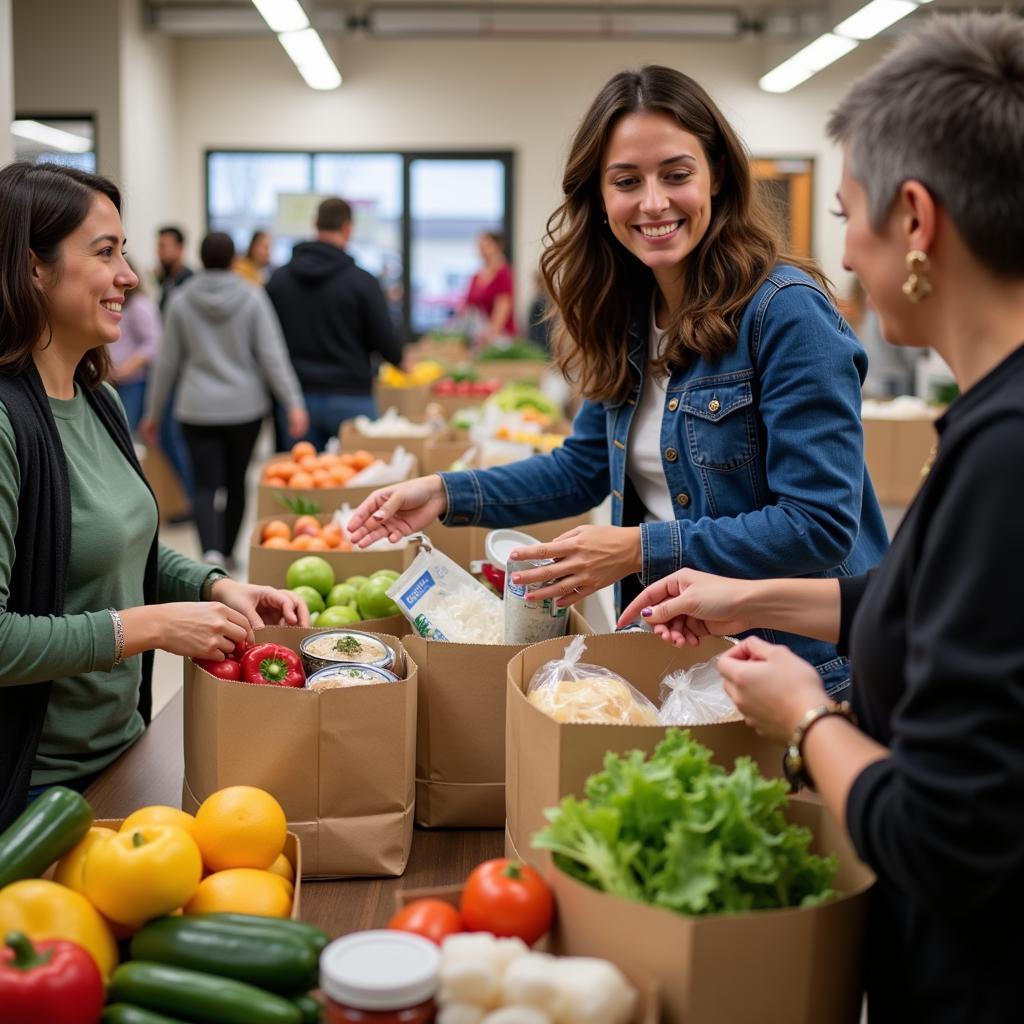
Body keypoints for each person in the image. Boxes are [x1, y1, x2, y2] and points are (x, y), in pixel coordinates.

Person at [618, 14, 1024, 1021]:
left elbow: (945, 828)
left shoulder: (1003, 452)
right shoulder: (988, 421)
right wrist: (750, 597)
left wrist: (806, 718)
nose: (844, 252)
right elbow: (928, 603)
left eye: (848, 214)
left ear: (916, 221)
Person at [349, 64, 888, 696]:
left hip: (802, 668)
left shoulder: (785, 312)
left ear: (716, 175)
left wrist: (638, 549)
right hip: (675, 651)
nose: (654, 202)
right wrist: (445, 492)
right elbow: (582, 468)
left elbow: (818, 524)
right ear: (600, 200)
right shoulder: (628, 314)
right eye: (627, 181)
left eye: (677, 174)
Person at [0, 163, 309, 828]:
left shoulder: (99, 401)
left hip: (117, 755)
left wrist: (212, 586)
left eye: (126, 253)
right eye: (105, 252)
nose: (130, 277)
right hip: (34, 791)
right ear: (32, 268)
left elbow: (124, 546)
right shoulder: (6, 424)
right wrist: (152, 627)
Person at [141, 232, 308, 568]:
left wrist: (152, 412)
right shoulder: (252, 297)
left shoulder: (181, 299)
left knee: (204, 484)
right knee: (236, 481)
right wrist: (293, 402)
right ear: (234, 259)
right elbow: (272, 355)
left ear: (201, 258)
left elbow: (167, 363)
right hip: (245, 408)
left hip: (196, 407)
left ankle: (210, 552)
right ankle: (229, 550)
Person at [266, 197, 403, 451]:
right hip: (351, 397)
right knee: (361, 482)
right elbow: (388, 345)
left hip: (296, 399)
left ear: (314, 224)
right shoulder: (362, 282)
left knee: (299, 483)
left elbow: (266, 343)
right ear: (348, 228)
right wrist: (401, 362)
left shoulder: (279, 280)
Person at [153, 224, 194, 508]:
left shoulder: (187, 286)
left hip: (181, 377)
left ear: (180, 249)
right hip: (170, 375)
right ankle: (185, 499)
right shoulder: (167, 282)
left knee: (177, 443)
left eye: (165, 246)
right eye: (158, 246)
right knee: (168, 441)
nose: (160, 252)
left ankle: (190, 499)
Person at [108, 258, 161, 432]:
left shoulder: (139, 305)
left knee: (125, 433)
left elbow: (153, 343)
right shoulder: (117, 303)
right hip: (111, 380)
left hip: (132, 383)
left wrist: (124, 370)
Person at [462, 230, 516, 346]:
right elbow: (466, 306)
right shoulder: (476, 276)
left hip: (499, 338)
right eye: (480, 246)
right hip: (477, 336)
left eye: (487, 245)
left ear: (498, 247)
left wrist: (489, 336)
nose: (482, 250)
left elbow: (503, 307)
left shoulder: (503, 274)